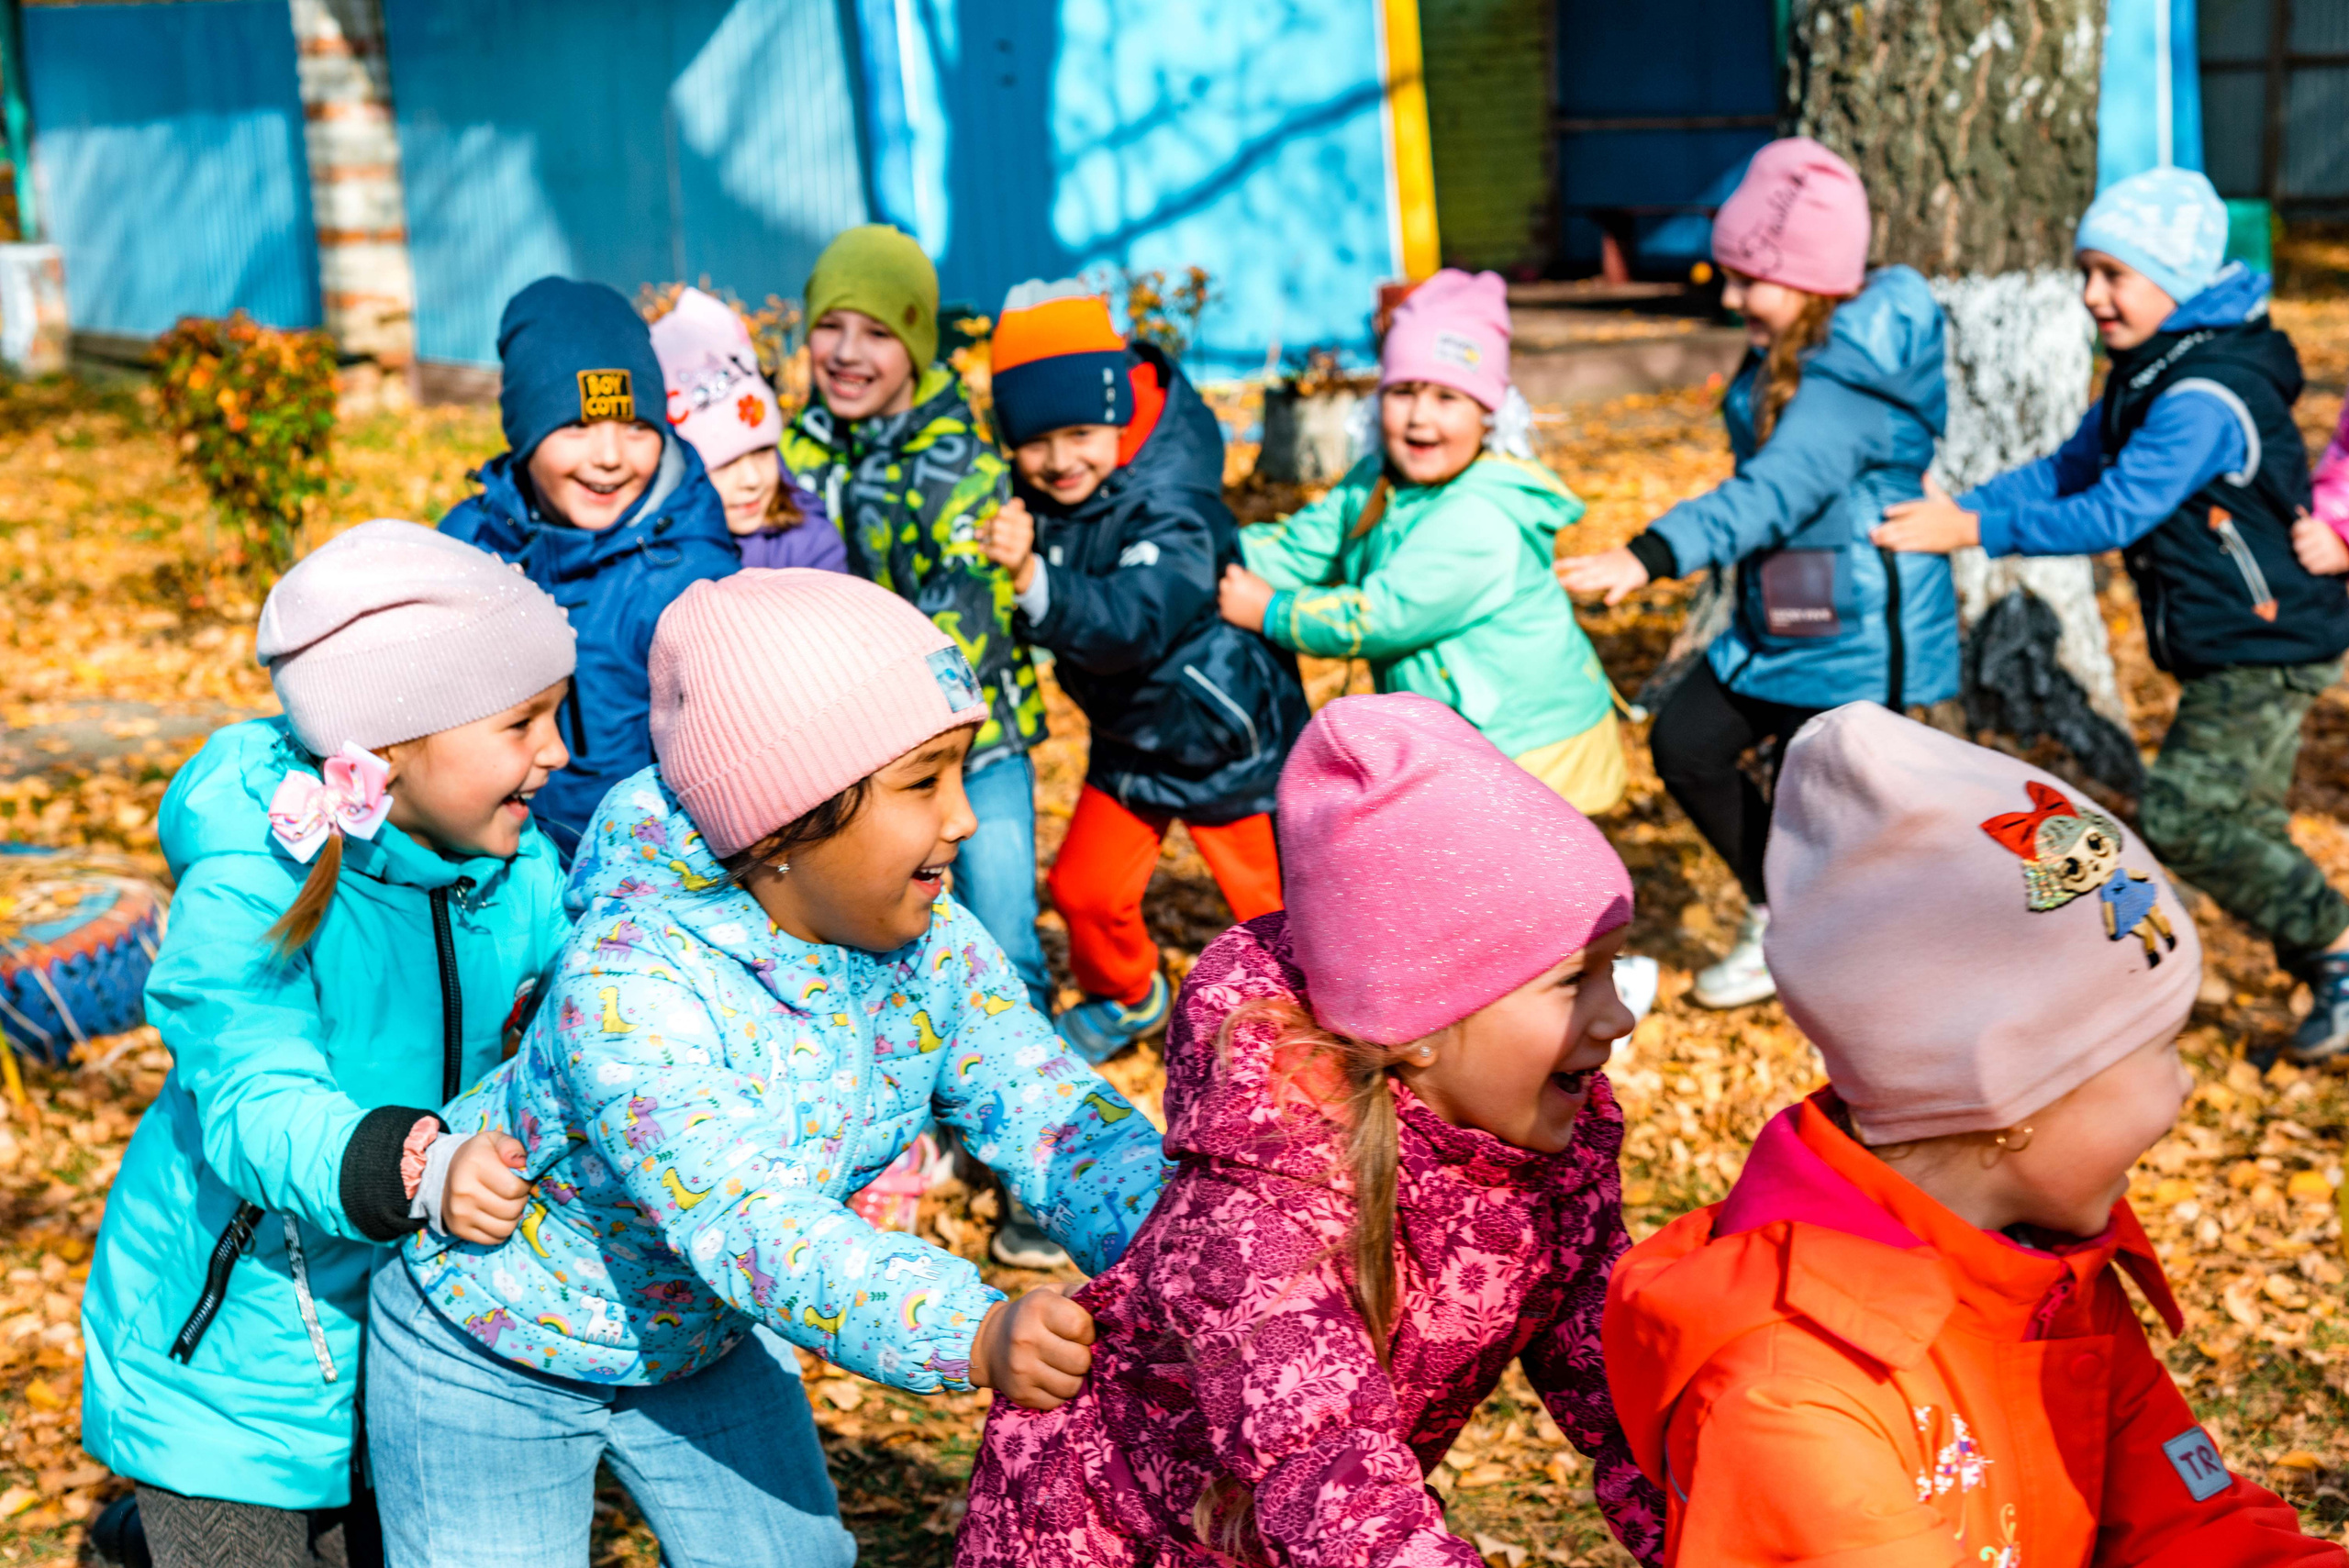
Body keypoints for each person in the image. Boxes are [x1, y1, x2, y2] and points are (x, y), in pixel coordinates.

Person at [364, 570, 1167, 1568]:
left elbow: (1051, 1111)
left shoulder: (931, 947)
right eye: (923, 781)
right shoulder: (628, 984)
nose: (962, 816)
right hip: (492, 1349)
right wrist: (973, 1327)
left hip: (697, 1340)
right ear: (783, 820)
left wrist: (1194, 1249)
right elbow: (747, 1215)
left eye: (959, 773)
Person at [1605, 701, 2343, 1566]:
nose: (2185, 1086)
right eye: (2157, 1049)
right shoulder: (1789, 1397)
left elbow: (2191, 1528)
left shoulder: (2047, 1278)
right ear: (2008, 1088)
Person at [957, 693, 1664, 1568]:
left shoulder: (1550, 1156)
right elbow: (1333, 1472)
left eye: (1615, 967)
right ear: (1420, 1026)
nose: (1620, 1015)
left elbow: (1625, 1387)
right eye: (1575, 981)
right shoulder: (1262, 1207)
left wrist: (1741, 1523)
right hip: (1104, 1539)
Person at [81, 522, 577, 1568]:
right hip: (238, 1362)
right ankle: (149, 1534)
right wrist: (415, 1161)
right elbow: (254, 1086)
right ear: (396, 745)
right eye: (524, 721)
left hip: (418, 1341)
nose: (558, 751)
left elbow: (583, 1020)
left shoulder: (517, 869)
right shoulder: (255, 879)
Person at [1876, 166, 2349, 1062]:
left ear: (2173, 278)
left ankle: (2333, 950)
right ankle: (2327, 963)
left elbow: (2113, 510)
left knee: (2183, 819)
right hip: (2235, 636)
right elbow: (2065, 470)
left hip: (2267, 639)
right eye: (2084, 271)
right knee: (2236, 818)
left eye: (2112, 274)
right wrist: (1965, 505)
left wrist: (1972, 526)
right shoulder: (2152, 370)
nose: (2091, 295)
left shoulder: (2199, 396)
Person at [1556, 138, 1954, 1012]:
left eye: (1747, 280)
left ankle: (1883, 967)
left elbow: (1770, 492)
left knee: (1850, 811)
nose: (1731, 299)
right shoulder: (1793, 350)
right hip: (1787, 602)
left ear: (1810, 282)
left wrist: (1648, 554)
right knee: (1688, 741)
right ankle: (1784, 912)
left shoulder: (1844, 380)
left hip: (1854, 624)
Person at [977, 279, 1308, 1063]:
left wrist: (1032, 581)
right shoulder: (1050, 489)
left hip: (1223, 738)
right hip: (1131, 734)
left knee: (1277, 913)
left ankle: (1315, 1033)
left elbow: (1135, 617)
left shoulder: (1173, 501)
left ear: (1119, 405)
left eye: (1080, 432)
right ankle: (1128, 993)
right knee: (1085, 889)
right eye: (1035, 442)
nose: (1060, 461)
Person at [1219, 268, 1629, 817]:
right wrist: (1204, 551)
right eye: (1404, 392)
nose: (1420, 418)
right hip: (1463, 738)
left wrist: (1271, 611)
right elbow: (1301, 546)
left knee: (1510, 893)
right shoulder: (1377, 480)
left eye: (1447, 398)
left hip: (1530, 746)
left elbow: (1381, 616)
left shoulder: (1479, 515)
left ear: (1488, 417)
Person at [780, 226, 1052, 1014]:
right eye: (830, 326)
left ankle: (1028, 1087)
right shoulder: (800, 452)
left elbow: (962, 613)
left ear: (917, 347)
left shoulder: (958, 461)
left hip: (979, 737)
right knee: (882, 928)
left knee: (1002, 933)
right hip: (857, 750)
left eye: (877, 333)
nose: (846, 351)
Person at [440, 276, 739, 859]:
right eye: (576, 426)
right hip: (493, 871)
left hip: (651, 885)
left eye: (635, 426)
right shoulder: (469, 549)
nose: (608, 456)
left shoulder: (690, 576)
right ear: (524, 436)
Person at [648, 285, 845, 572]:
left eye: (763, 452)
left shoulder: (809, 545)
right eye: (725, 464)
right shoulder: (658, 556)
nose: (751, 479)